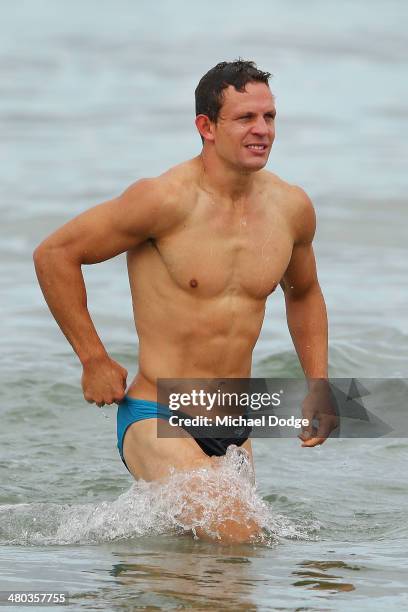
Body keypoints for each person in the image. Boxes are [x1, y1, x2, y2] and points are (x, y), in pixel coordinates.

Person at [33, 59, 333, 544]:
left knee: (216, 580)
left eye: (269, 117)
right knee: (239, 537)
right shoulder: (163, 200)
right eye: (245, 119)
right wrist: (93, 358)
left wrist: (318, 382)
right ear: (206, 127)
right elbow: (54, 255)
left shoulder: (290, 208)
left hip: (236, 427)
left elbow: (305, 294)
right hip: (158, 414)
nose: (262, 130)